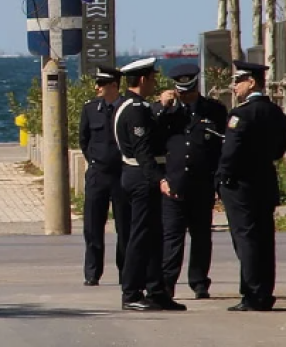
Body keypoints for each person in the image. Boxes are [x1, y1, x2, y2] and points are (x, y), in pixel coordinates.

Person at [114, 57, 186, 311]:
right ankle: (131, 292)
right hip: (141, 177)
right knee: (140, 236)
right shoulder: (135, 109)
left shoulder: (140, 106)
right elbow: (143, 151)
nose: (155, 82)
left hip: (144, 175)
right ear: (143, 80)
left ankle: (156, 290)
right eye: (153, 78)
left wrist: (162, 108)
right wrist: (160, 179)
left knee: (155, 236)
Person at [216, 60, 286, 311]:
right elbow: (279, 149)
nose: (234, 86)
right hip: (264, 180)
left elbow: (231, 151)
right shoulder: (275, 112)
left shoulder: (241, 114)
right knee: (264, 239)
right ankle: (263, 292)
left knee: (246, 239)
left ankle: (252, 293)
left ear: (251, 82)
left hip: (241, 184)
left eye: (238, 81)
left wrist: (222, 178)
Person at [156, 62, 227, 300]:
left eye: (189, 92)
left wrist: (218, 183)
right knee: (172, 238)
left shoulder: (214, 110)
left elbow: (219, 148)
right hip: (173, 183)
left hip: (202, 184)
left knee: (201, 237)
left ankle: (199, 282)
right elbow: (151, 140)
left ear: (196, 86)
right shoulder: (169, 113)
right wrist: (161, 107)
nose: (185, 97)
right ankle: (167, 284)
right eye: (181, 93)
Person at [78, 65, 131, 287]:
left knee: (125, 226)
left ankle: (125, 271)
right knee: (92, 226)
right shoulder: (91, 109)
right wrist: (95, 160)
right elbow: (84, 140)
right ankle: (92, 272)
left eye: (101, 84)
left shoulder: (127, 109)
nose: (96, 87)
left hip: (122, 174)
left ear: (113, 86)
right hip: (98, 174)